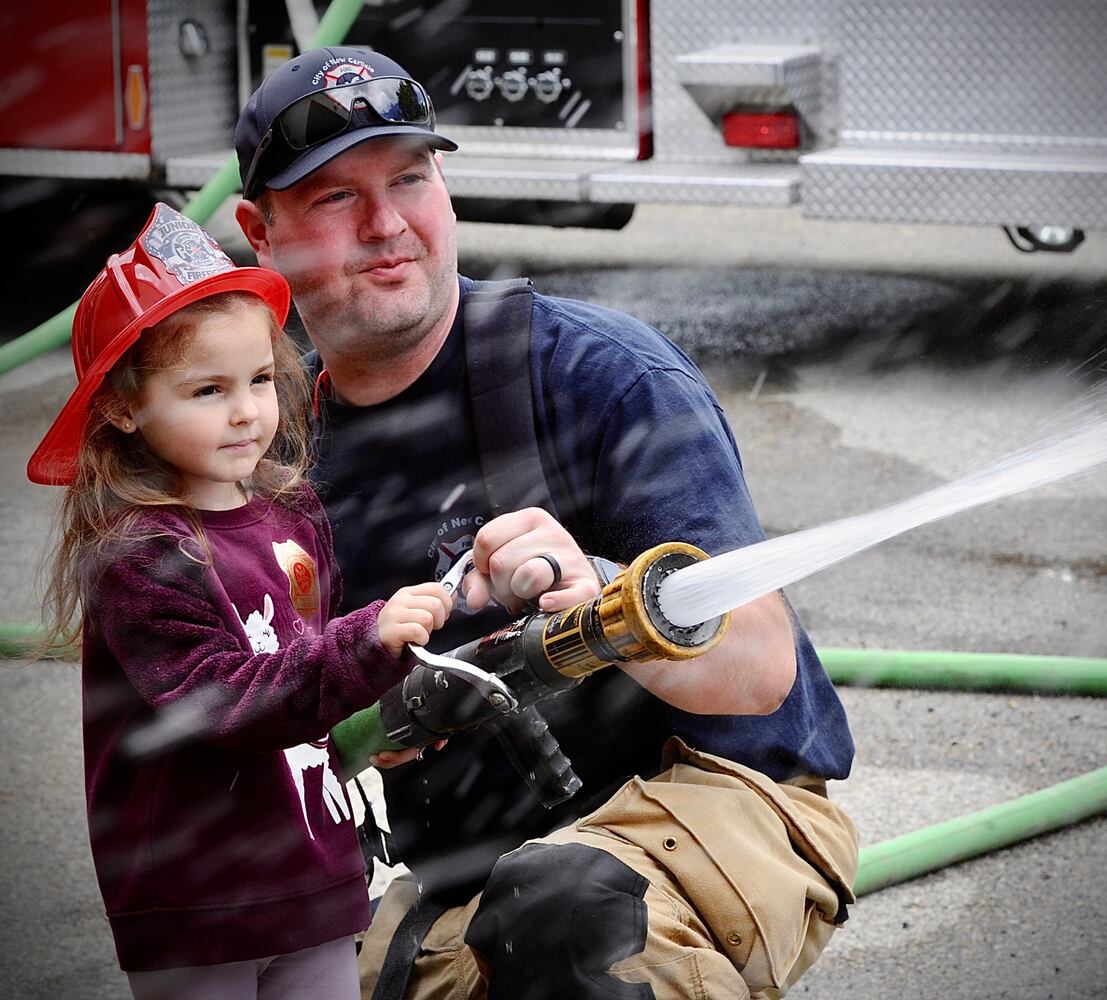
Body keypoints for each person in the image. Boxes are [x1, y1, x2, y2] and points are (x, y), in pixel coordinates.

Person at [235, 46, 859, 998]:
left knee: (566, 911)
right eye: (334, 198)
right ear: (259, 230)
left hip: (711, 801)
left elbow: (762, 667)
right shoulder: (275, 461)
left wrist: (607, 597)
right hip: (470, 870)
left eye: (410, 179)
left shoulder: (603, 377)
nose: (387, 223)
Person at [27, 204, 454, 1000]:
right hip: (199, 897)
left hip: (313, 873)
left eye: (260, 378)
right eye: (207, 389)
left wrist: (369, 722)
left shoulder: (292, 516)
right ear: (122, 407)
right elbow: (229, 698)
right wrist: (365, 648)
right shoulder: (141, 557)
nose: (246, 410)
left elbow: (306, 672)